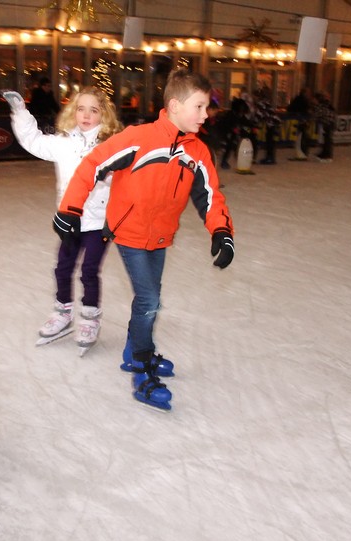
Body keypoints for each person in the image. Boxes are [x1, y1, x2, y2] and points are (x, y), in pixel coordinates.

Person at [53, 69, 236, 411]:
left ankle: (134, 350)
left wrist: (222, 232)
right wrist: (70, 209)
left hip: (161, 236)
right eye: (199, 106)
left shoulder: (197, 152)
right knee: (149, 301)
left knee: (150, 298)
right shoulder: (138, 138)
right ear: (175, 105)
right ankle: (140, 367)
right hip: (129, 232)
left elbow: (210, 195)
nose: (205, 114)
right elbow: (92, 165)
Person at [2, 86, 123, 352]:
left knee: (89, 271)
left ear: (104, 114)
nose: (86, 115)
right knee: (62, 268)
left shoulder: (111, 147)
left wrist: (112, 176)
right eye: (81, 109)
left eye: (93, 110)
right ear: (73, 112)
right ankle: (63, 313)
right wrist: (20, 112)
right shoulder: (63, 143)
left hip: (99, 223)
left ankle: (90, 318)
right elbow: (34, 141)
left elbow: (126, 176)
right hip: (70, 220)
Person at [254, 89, 281, 165]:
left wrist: (254, 123)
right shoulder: (266, 102)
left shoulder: (261, 103)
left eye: (254, 96)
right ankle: (270, 157)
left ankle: (269, 158)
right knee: (271, 140)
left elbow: (259, 115)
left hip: (272, 123)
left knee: (269, 140)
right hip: (274, 123)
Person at [287, 87, 314, 160]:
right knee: (302, 137)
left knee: (303, 137)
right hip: (301, 121)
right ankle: (302, 154)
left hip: (301, 121)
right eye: (308, 93)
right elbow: (304, 109)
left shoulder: (301, 99)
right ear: (304, 93)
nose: (309, 95)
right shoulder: (301, 100)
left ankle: (302, 153)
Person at [314, 92, 336, 162]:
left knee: (327, 140)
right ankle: (324, 154)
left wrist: (314, 118)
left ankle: (327, 155)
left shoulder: (321, 105)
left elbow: (318, 114)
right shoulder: (328, 105)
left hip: (326, 123)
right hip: (330, 123)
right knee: (326, 139)